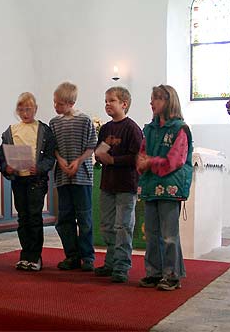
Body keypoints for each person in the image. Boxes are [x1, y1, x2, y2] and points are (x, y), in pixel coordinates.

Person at [136, 84, 193, 291]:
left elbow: (176, 159)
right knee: (151, 233)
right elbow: (142, 154)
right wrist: (142, 162)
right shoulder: (149, 129)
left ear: (169, 102)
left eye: (158, 98)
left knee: (169, 235)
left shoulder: (180, 129)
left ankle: (171, 274)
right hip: (151, 186)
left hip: (170, 188)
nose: (152, 102)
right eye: (152, 98)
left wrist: (150, 162)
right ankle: (154, 272)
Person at [0, 92, 56, 271]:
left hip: (36, 180)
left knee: (34, 217)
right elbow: (3, 156)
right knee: (23, 218)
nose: (25, 113)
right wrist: (6, 167)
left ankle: (35, 256)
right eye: (22, 109)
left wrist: (39, 168)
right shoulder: (10, 131)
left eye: (29, 109)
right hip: (19, 180)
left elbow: (49, 157)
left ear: (35, 109)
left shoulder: (44, 130)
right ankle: (25, 254)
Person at [93, 87, 143, 283]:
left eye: (111, 100)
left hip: (125, 184)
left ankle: (122, 266)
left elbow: (136, 157)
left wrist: (113, 160)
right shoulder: (105, 129)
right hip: (108, 183)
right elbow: (100, 150)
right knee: (107, 226)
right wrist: (99, 156)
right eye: (105, 101)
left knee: (123, 226)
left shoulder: (132, 128)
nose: (107, 104)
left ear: (124, 104)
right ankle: (111, 262)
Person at [49, 81, 97, 271]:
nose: (56, 106)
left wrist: (78, 161)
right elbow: (52, 148)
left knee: (84, 217)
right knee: (65, 218)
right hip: (63, 177)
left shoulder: (84, 120)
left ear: (70, 103)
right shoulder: (54, 123)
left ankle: (88, 257)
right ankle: (71, 255)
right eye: (54, 102)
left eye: (59, 103)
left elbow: (91, 145)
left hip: (82, 176)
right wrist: (60, 160)